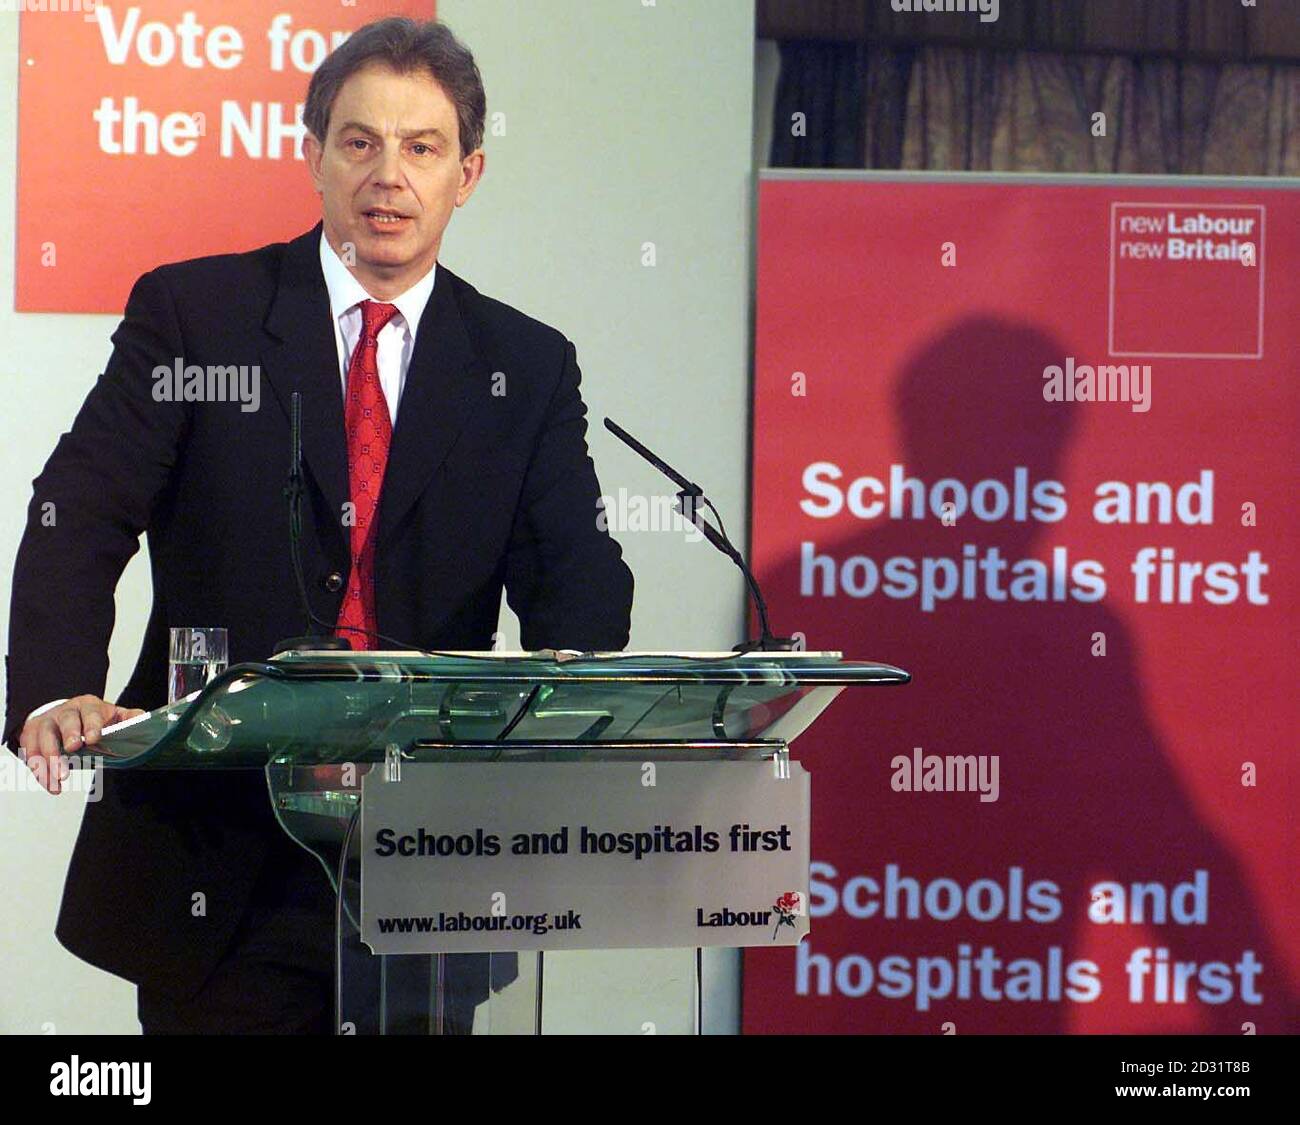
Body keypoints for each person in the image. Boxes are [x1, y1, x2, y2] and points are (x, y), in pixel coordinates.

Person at [3, 16, 634, 1034]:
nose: (389, 175)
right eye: (359, 142)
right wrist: (52, 689)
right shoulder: (197, 314)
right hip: (217, 855)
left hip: (428, 861)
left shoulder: (525, 365)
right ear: (312, 157)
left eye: (421, 148)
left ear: (466, 174)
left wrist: (580, 693)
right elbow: (79, 509)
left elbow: (575, 575)